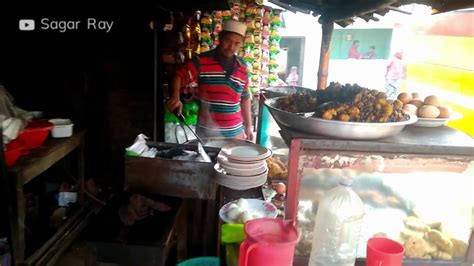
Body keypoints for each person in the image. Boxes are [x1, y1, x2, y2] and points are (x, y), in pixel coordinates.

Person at [167, 20, 253, 140]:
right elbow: (179, 76)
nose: (231, 47)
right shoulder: (201, 61)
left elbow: (244, 97)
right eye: (228, 41)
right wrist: (175, 98)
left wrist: (248, 126)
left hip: (235, 134)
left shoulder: (242, 67)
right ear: (220, 37)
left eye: (237, 43)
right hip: (207, 135)